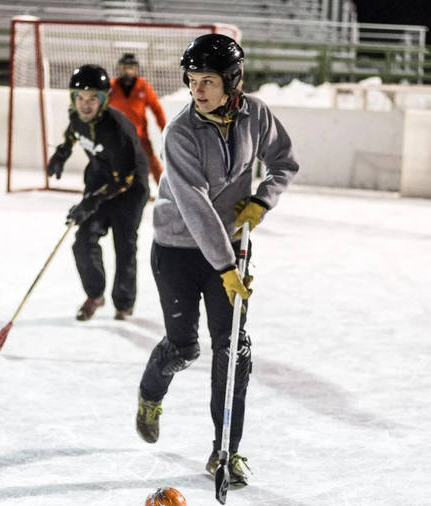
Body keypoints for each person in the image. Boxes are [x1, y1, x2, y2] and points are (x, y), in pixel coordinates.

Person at [134, 34, 298, 487]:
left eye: (208, 80)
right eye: (192, 80)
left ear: (232, 80)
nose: (198, 90)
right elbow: (195, 205)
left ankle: (226, 450)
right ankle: (151, 391)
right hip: (178, 250)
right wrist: (227, 269)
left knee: (232, 351)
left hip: (230, 250)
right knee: (185, 348)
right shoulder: (181, 132)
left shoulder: (257, 115)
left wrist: (263, 200)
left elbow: (284, 161)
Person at [46, 64, 149, 321]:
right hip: (100, 181)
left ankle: (123, 303)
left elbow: (124, 178)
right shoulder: (76, 117)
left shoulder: (118, 129)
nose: (85, 105)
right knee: (83, 240)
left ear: (104, 100)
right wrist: (61, 154)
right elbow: (73, 133)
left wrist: (90, 201)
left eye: (93, 98)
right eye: (79, 98)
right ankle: (95, 295)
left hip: (130, 188)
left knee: (124, 245)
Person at [109, 53, 167, 184]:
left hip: (140, 135)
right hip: (118, 136)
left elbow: (157, 109)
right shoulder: (111, 87)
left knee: (152, 163)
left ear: (136, 70)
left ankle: (167, 190)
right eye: (124, 68)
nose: (128, 71)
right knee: (115, 165)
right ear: (119, 69)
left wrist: (164, 129)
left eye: (131, 68)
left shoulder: (143, 86)